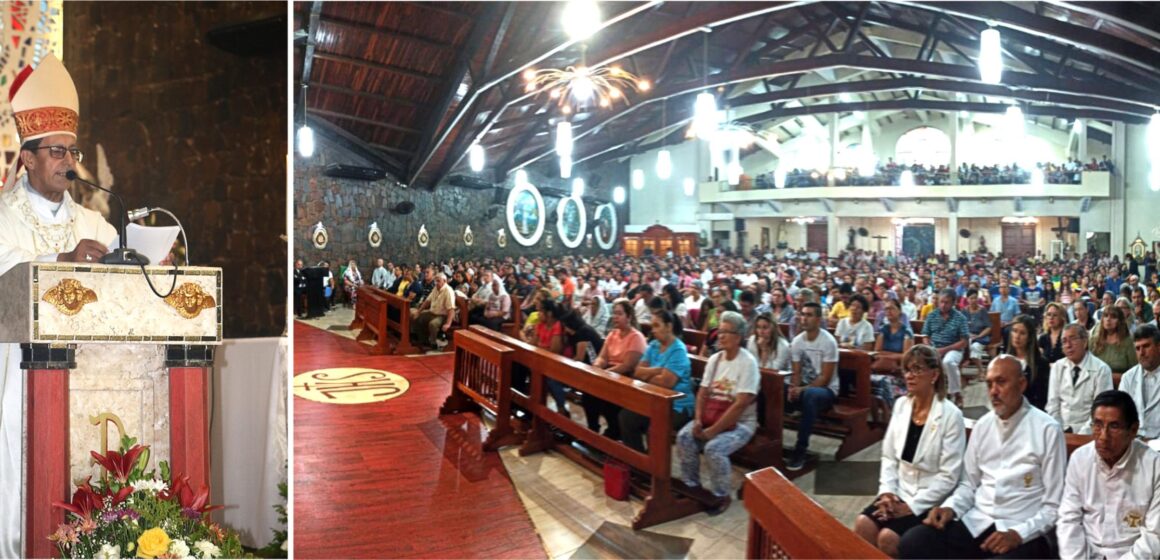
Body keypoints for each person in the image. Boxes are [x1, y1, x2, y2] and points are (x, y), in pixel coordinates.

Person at [0, 54, 118, 557]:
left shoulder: (98, 227)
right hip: (17, 384)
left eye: (72, 151)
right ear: (26, 158)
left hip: (93, 384)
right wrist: (61, 260)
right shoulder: (3, 220)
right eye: (56, 151)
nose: (69, 161)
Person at [899, 356, 1065, 559]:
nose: (993, 391)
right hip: (978, 521)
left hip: (1021, 528)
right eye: (989, 384)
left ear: (1021, 384)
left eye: (1001, 382)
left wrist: (1019, 534)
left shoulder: (1047, 429)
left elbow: (1053, 506)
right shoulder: (983, 426)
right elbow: (969, 484)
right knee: (914, 541)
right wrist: (951, 507)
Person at [855, 345, 965, 558]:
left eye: (917, 369)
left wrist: (912, 506)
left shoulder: (951, 416)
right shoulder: (901, 405)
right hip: (899, 492)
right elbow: (889, 457)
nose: (909, 376)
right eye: (907, 369)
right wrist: (887, 492)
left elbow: (949, 476)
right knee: (863, 525)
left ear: (934, 374)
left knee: (888, 537)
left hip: (930, 498)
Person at [1058, 390, 1160, 558]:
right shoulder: (1080, 459)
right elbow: (1069, 519)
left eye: (1114, 426)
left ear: (1133, 430)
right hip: (1086, 553)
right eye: (1097, 425)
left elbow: (1155, 536)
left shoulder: (1154, 466)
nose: (1103, 437)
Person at [677, 311, 758, 514]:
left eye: (726, 332)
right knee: (685, 437)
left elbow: (740, 405)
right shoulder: (715, 359)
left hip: (741, 423)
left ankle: (721, 495)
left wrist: (713, 431)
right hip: (710, 416)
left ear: (738, 337)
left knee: (714, 448)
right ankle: (692, 485)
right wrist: (697, 420)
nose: (720, 336)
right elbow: (703, 393)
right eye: (719, 331)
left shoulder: (748, 363)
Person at [619, 309, 695, 452]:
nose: (653, 330)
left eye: (657, 325)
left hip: (677, 404)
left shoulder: (678, 350)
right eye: (652, 326)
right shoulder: (654, 345)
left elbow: (667, 383)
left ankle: (655, 468)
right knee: (626, 417)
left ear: (669, 326)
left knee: (655, 428)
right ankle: (638, 460)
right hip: (654, 399)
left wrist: (647, 375)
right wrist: (659, 370)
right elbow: (637, 372)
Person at [786, 302, 840, 470]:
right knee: (774, 389)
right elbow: (795, 372)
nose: (804, 318)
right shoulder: (797, 341)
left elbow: (825, 377)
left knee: (810, 396)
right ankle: (769, 443)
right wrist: (792, 388)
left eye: (809, 315)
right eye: (802, 314)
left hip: (827, 391)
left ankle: (800, 449)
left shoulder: (828, 342)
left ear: (818, 319)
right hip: (804, 389)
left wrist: (801, 389)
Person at [588, 299, 647, 439]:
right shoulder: (612, 334)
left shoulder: (636, 337)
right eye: (614, 313)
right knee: (589, 394)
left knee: (606, 398)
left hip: (626, 376)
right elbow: (602, 357)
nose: (615, 317)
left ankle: (615, 431)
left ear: (629, 317)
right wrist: (597, 365)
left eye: (619, 314)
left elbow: (628, 365)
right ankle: (592, 430)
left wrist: (606, 373)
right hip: (610, 373)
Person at [1048, 324, 1114, 433]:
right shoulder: (1057, 367)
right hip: (1060, 429)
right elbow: (1052, 405)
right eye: (1064, 341)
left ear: (1084, 342)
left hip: (1089, 431)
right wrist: (1059, 430)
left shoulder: (1101, 369)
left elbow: (1101, 411)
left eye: (1073, 339)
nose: (1068, 345)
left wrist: (1081, 434)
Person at [923, 289, 970, 407]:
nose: (943, 305)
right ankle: (927, 394)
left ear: (953, 303)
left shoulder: (960, 318)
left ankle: (956, 393)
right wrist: (930, 348)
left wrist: (944, 350)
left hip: (954, 349)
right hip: (934, 348)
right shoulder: (932, 315)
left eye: (947, 302)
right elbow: (925, 335)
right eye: (941, 302)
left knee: (948, 362)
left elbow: (964, 341)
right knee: (922, 361)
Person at [1119, 324, 1160, 440]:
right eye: (1137, 348)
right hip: (1134, 442)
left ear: (1159, 346)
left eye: (1146, 346)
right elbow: (1122, 414)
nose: (1141, 353)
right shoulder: (1128, 377)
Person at [1004, 314, 1051, 411]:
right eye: (1015, 331)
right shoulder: (1004, 361)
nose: (1017, 336)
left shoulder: (1041, 363)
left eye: (1022, 333)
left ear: (1029, 337)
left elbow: (1043, 398)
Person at [410, 272, 456, 350]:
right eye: (435, 281)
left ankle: (433, 343)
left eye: (438, 281)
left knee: (433, 324)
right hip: (432, 312)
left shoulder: (448, 291)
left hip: (443, 315)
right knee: (416, 316)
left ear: (444, 281)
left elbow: (451, 309)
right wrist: (419, 312)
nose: (436, 283)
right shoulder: (435, 288)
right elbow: (427, 301)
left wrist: (448, 324)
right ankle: (423, 340)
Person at [1090, 306, 1138, 373]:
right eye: (1106, 316)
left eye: (1113, 317)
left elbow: (1135, 370)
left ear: (1120, 321)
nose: (1108, 319)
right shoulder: (1094, 340)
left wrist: (1110, 376)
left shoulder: (1128, 342)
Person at [872, 298, 914, 373]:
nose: (888, 311)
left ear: (899, 311)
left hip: (899, 369)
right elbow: (876, 353)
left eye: (892, 308)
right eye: (886, 309)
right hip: (881, 367)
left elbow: (906, 356)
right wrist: (896, 355)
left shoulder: (906, 332)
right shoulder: (883, 330)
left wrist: (885, 355)